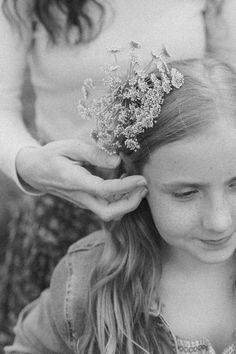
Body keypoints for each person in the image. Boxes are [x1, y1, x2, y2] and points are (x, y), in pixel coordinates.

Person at [0, 0, 236, 347]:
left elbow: (225, 74)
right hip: (62, 202)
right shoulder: (81, 280)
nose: (219, 222)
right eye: (185, 193)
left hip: (187, 166)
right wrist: (29, 163)